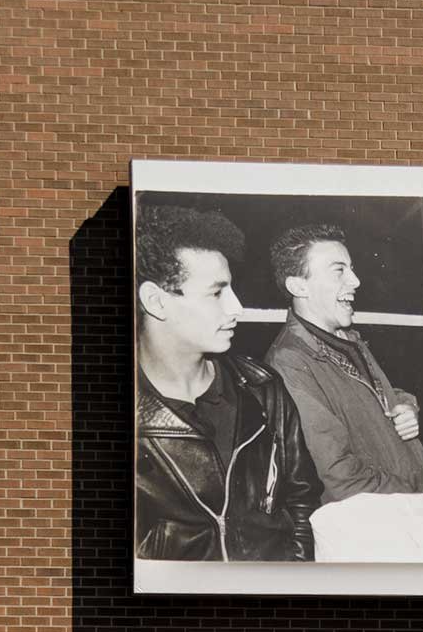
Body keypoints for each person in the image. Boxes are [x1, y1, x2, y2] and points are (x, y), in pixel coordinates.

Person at [133, 201, 321, 561]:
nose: (236, 308)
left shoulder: (262, 388)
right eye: (217, 293)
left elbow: (302, 501)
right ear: (156, 301)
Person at [263, 223, 423, 505]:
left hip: (398, 512)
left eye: (350, 268)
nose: (355, 281)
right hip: (373, 525)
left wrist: (406, 405)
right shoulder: (290, 362)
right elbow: (340, 476)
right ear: (298, 285)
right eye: (339, 270)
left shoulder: (346, 338)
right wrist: (417, 501)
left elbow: (369, 398)